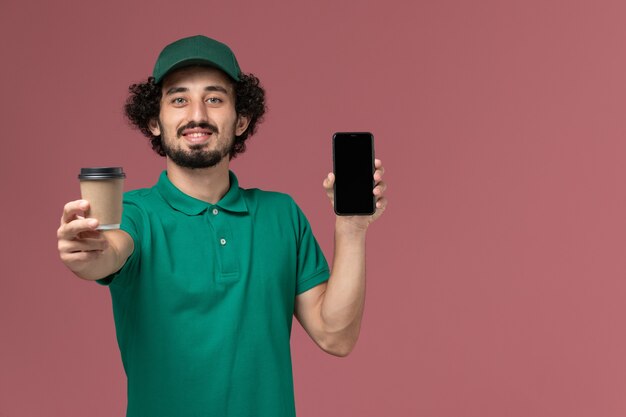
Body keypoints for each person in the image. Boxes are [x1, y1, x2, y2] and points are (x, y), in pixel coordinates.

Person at [57, 35, 387, 417]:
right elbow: (109, 250)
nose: (197, 114)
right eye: (179, 99)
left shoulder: (282, 214)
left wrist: (352, 228)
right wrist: (85, 253)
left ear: (241, 119)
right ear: (154, 121)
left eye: (214, 99)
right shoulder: (135, 212)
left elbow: (337, 336)